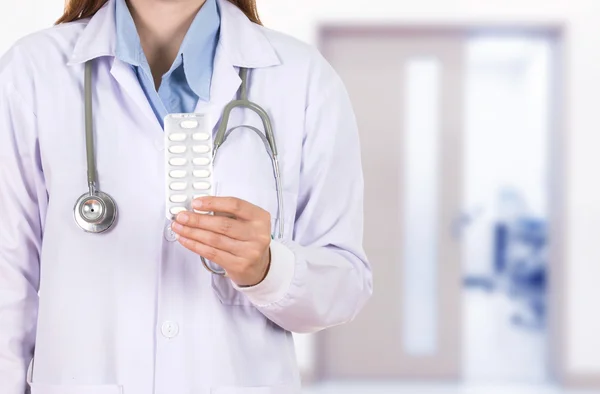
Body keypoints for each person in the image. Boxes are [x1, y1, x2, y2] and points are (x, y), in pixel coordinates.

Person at [0, 0, 372, 393]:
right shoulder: (32, 72)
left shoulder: (303, 78)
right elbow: (7, 281)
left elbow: (345, 284)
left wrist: (268, 269)